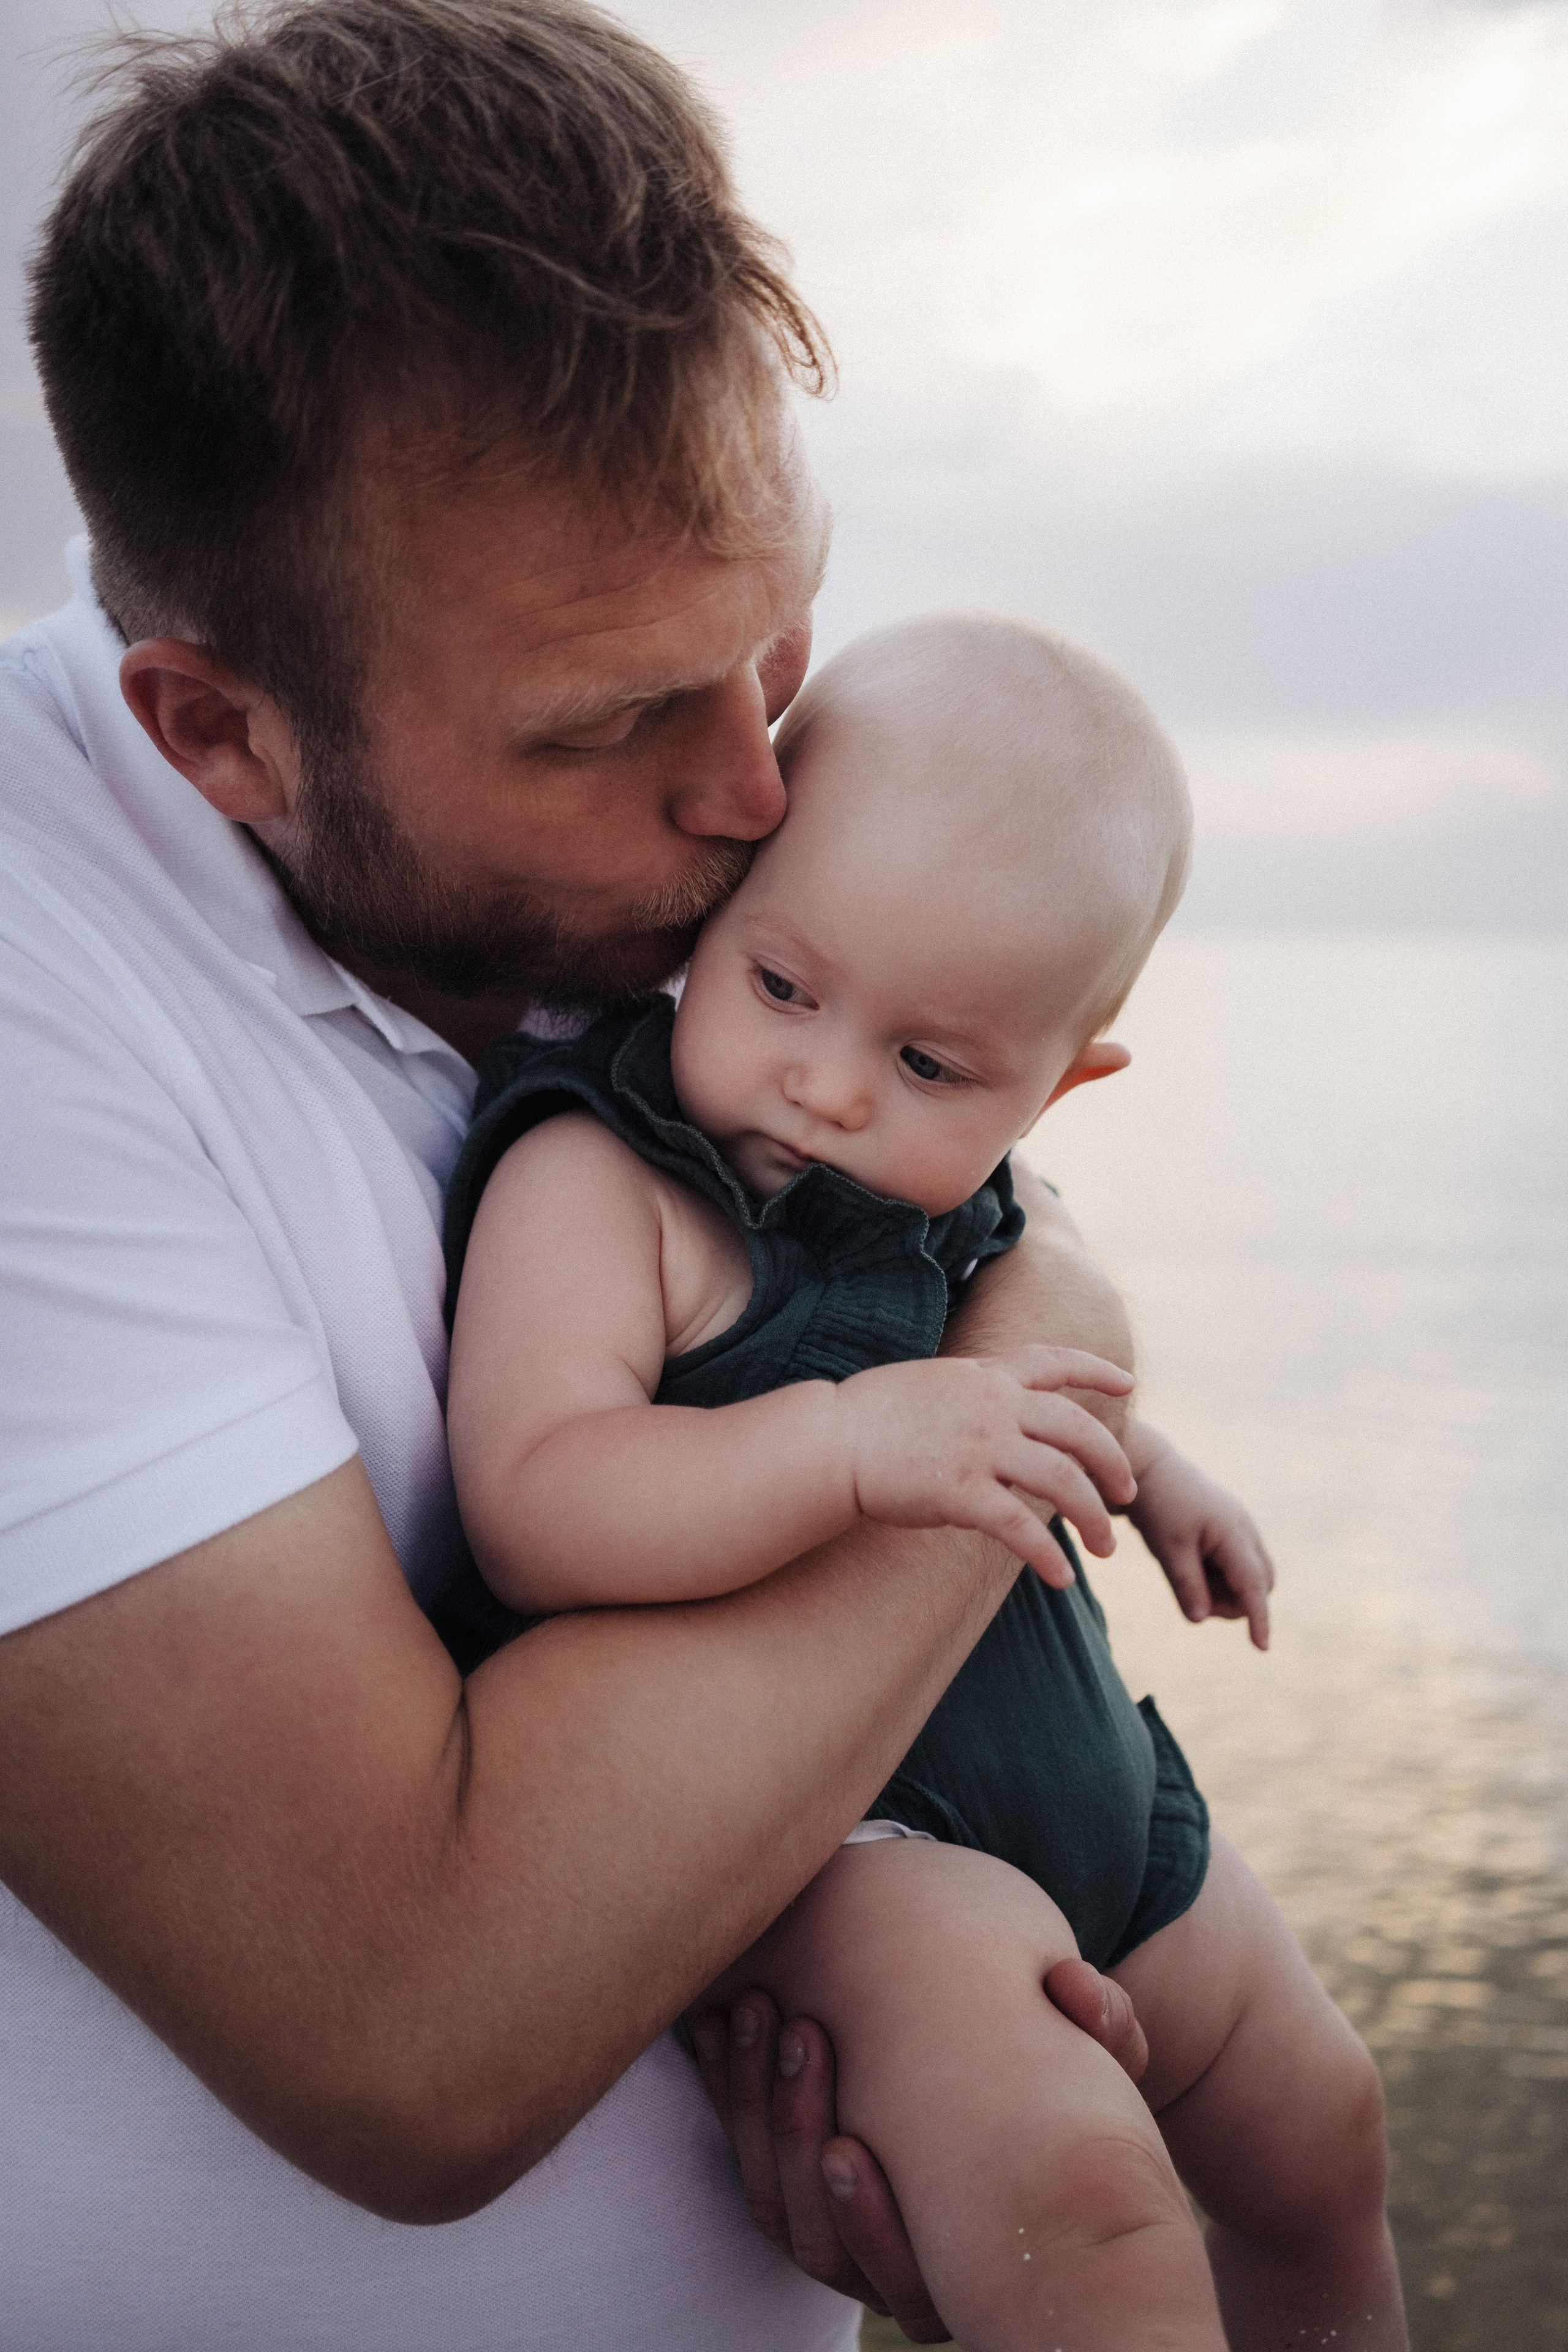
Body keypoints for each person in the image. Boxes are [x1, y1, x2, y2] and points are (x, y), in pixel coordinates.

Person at [0, 4, 1172, 2345]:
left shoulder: (579, 844)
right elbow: (408, 2029)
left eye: (773, 640)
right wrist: (1051, 1337)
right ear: (222, 730)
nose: (753, 794)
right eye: (618, 723)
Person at [441, 614, 1407, 2351]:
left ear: (1063, 1082)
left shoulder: (968, 1203)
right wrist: (844, 1442)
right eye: (783, 987)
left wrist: (1147, 1463)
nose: (824, 1085)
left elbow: (1013, 1399)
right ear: (707, 920)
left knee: (1327, 2131)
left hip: (1102, 1786)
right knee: (1090, 2221)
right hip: (863, 1852)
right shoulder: (609, 1176)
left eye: (933, 1066)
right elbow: (538, 1489)